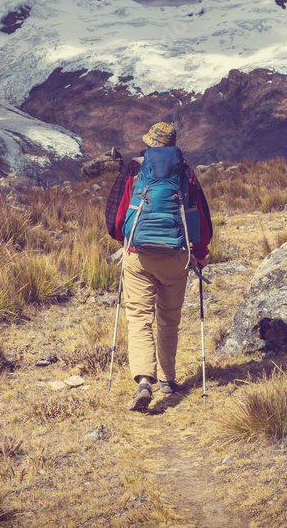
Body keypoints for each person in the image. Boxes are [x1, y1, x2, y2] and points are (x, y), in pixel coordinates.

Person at [105, 121, 212, 412]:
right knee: (168, 318)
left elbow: (114, 217)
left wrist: (125, 238)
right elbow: (200, 218)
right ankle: (167, 378)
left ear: (150, 143)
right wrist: (199, 253)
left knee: (139, 316)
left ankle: (143, 380)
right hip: (175, 256)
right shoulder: (185, 172)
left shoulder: (133, 168)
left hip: (138, 254)